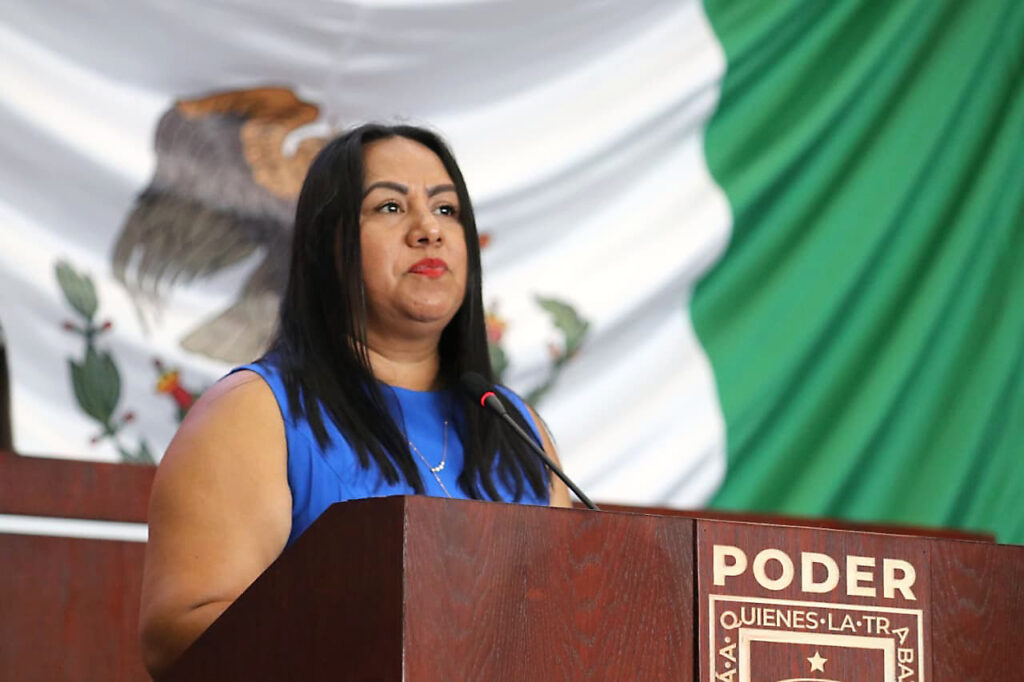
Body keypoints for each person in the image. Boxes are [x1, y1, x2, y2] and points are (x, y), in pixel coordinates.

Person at [138, 123, 572, 675]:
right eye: (390, 207)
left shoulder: (517, 427)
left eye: (446, 210)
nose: (428, 231)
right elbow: (181, 636)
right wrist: (380, 634)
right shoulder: (254, 412)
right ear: (328, 246)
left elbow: (568, 615)